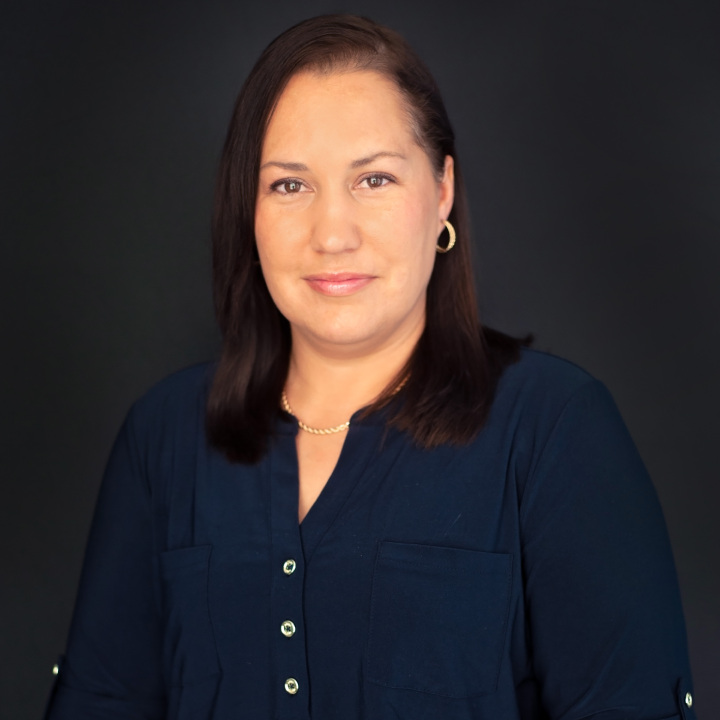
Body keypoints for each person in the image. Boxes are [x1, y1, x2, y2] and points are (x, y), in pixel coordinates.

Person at [45, 14, 696, 720]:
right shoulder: (162, 438)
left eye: (375, 178)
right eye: (290, 186)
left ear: (442, 191)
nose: (332, 234)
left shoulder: (554, 430)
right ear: (248, 210)